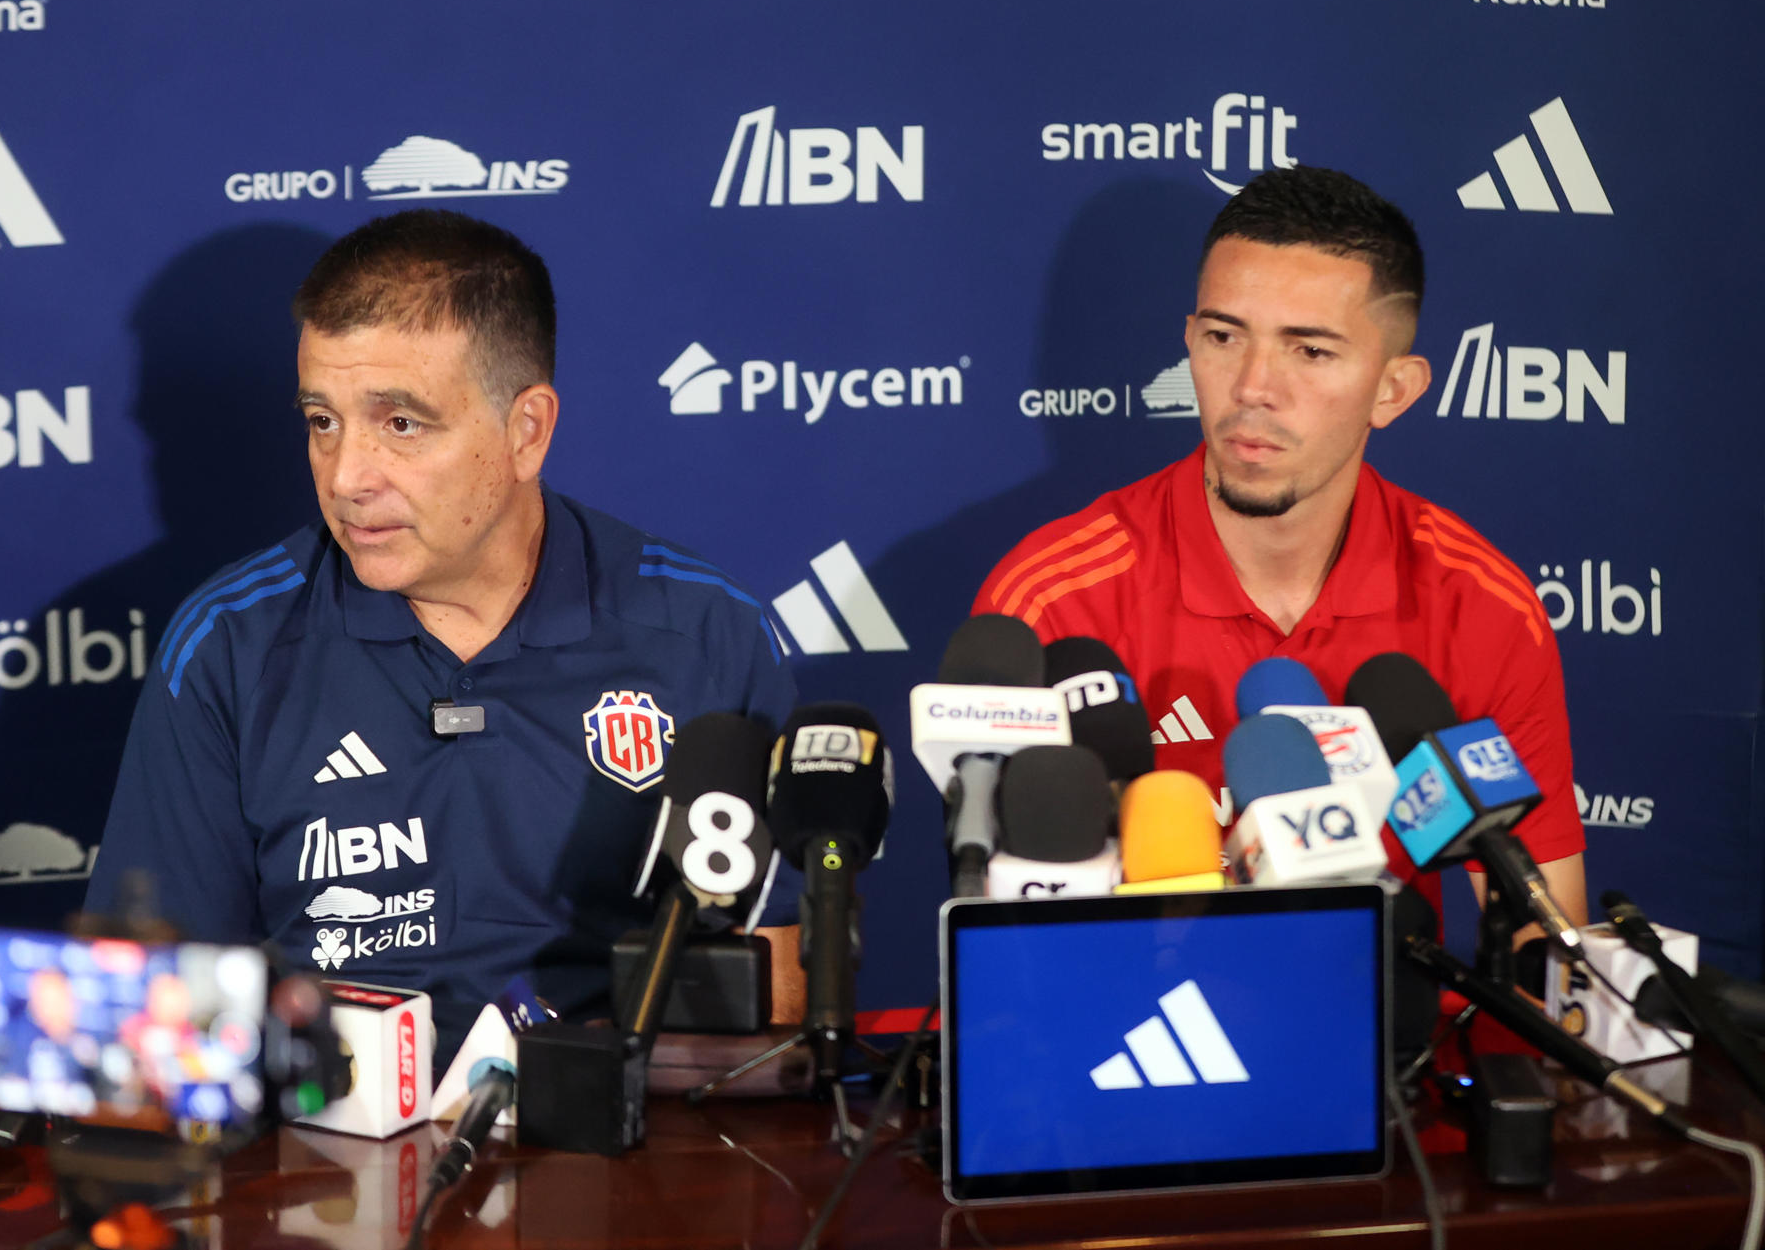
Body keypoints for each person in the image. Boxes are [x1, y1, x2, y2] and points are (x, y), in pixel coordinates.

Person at [85, 210, 801, 1072]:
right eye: (322, 421)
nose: (347, 476)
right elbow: (152, 1022)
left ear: (526, 430)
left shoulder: (706, 633)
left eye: (401, 424)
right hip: (324, 1166)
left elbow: (776, 985)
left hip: (622, 1141)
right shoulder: (228, 643)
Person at [974, 166, 1584, 925]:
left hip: (1382, 1033)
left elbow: (1540, 948)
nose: (1253, 386)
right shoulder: (1054, 602)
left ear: (1393, 390)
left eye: (1311, 351)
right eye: (1224, 337)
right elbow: (1019, 956)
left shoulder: (1482, 608)